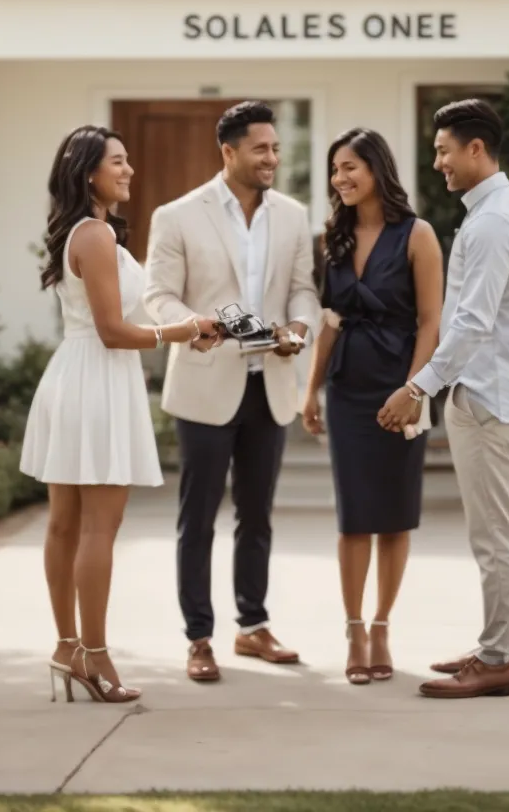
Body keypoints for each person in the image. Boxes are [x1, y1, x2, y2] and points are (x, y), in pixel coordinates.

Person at [21, 125, 218, 705]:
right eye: (118, 162)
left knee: (65, 524)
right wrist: (182, 331)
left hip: (74, 377)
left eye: (129, 160)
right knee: (97, 528)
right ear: (89, 173)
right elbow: (112, 332)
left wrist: (183, 330)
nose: (129, 170)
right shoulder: (97, 238)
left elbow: (110, 326)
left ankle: (67, 646)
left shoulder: (88, 233)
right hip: (98, 381)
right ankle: (95, 655)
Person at [143, 100, 321, 683]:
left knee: (258, 516)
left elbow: (302, 291)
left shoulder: (293, 216)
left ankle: (253, 625)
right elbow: (159, 297)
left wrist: (298, 329)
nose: (272, 158)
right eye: (261, 149)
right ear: (229, 151)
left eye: (275, 148)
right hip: (203, 383)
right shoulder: (177, 215)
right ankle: (198, 637)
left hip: (268, 385)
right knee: (197, 518)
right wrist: (200, 325)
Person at [378, 98, 509, 700]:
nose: (438, 162)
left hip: (489, 398)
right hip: (506, 394)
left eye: (445, 151)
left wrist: (416, 386)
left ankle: (498, 658)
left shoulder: (497, 220)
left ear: (477, 149)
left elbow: (471, 323)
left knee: (496, 538)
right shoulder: (499, 212)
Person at [300, 128, 444, 686]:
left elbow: (431, 321)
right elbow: (331, 320)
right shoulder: (329, 240)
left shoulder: (418, 235)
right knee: (354, 515)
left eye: (351, 166)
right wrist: (310, 388)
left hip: (401, 386)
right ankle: (354, 628)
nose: (341, 178)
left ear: (378, 168)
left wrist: (413, 391)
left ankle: (383, 625)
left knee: (395, 515)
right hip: (349, 389)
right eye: (335, 169)